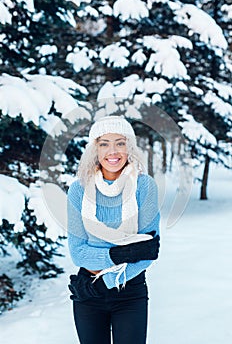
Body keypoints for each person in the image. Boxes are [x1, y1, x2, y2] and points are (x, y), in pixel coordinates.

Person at [67, 115, 160, 344]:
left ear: (129, 147)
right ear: (94, 150)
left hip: (130, 291)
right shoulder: (78, 190)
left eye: (120, 143)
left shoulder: (144, 186)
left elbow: (148, 252)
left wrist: (105, 280)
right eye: (104, 144)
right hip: (87, 292)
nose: (113, 151)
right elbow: (78, 252)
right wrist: (119, 255)